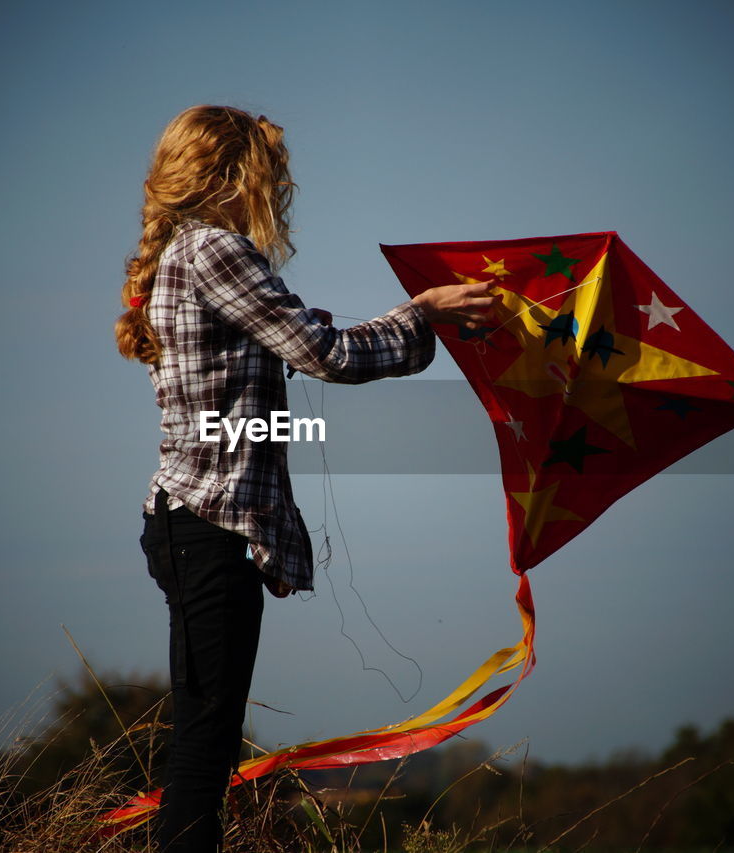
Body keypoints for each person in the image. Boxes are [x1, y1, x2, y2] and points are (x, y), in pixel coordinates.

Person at [114, 104, 497, 852]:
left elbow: (290, 342)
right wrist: (423, 315)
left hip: (195, 525)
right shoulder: (216, 251)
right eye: (267, 173)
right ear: (230, 176)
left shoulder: (187, 256)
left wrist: (403, 327)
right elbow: (330, 354)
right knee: (203, 748)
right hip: (208, 528)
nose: (276, 189)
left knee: (209, 741)